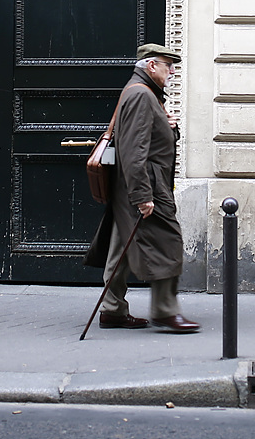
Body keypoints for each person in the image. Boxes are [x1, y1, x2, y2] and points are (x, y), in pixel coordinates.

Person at [84, 44, 199, 333]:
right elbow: (133, 150)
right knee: (168, 243)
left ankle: (112, 310)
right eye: (167, 65)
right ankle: (164, 311)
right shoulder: (140, 95)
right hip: (147, 185)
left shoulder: (143, 92)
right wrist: (143, 197)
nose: (171, 71)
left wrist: (169, 126)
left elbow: (147, 138)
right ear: (151, 66)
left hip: (141, 184)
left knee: (121, 246)